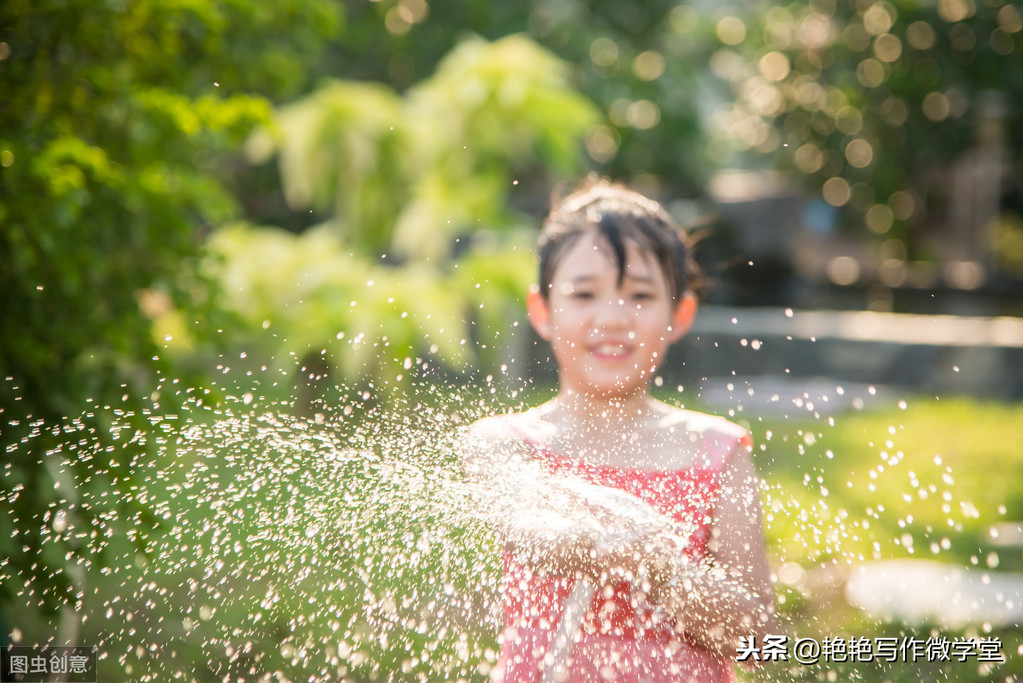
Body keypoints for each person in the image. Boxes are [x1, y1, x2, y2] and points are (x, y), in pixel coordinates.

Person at [460, 178, 775, 682]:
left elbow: (761, 640)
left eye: (640, 296)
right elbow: (525, 527)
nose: (611, 317)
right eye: (584, 294)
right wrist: (599, 543)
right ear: (541, 311)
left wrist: (663, 569)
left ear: (680, 314)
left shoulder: (717, 451)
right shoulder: (505, 444)